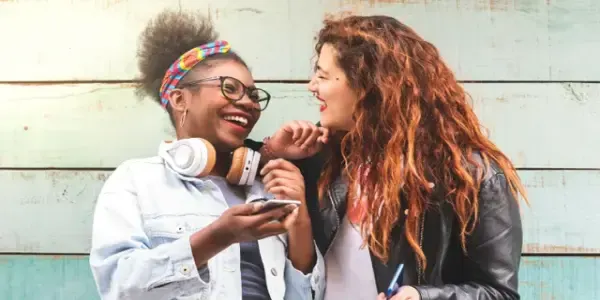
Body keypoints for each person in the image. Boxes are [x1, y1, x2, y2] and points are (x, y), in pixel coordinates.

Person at [255, 15, 527, 300]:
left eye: (323, 76)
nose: (312, 86)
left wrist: (423, 297)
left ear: (369, 85)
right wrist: (274, 151)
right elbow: (234, 173)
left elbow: (499, 293)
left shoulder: (472, 174)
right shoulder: (324, 158)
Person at [88, 10, 324, 300]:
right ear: (179, 99)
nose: (248, 103)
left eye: (252, 94)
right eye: (230, 88)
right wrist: (219, 236)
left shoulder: (266, 185)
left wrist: (300, 221)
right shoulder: (136, 180)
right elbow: (118, 287)